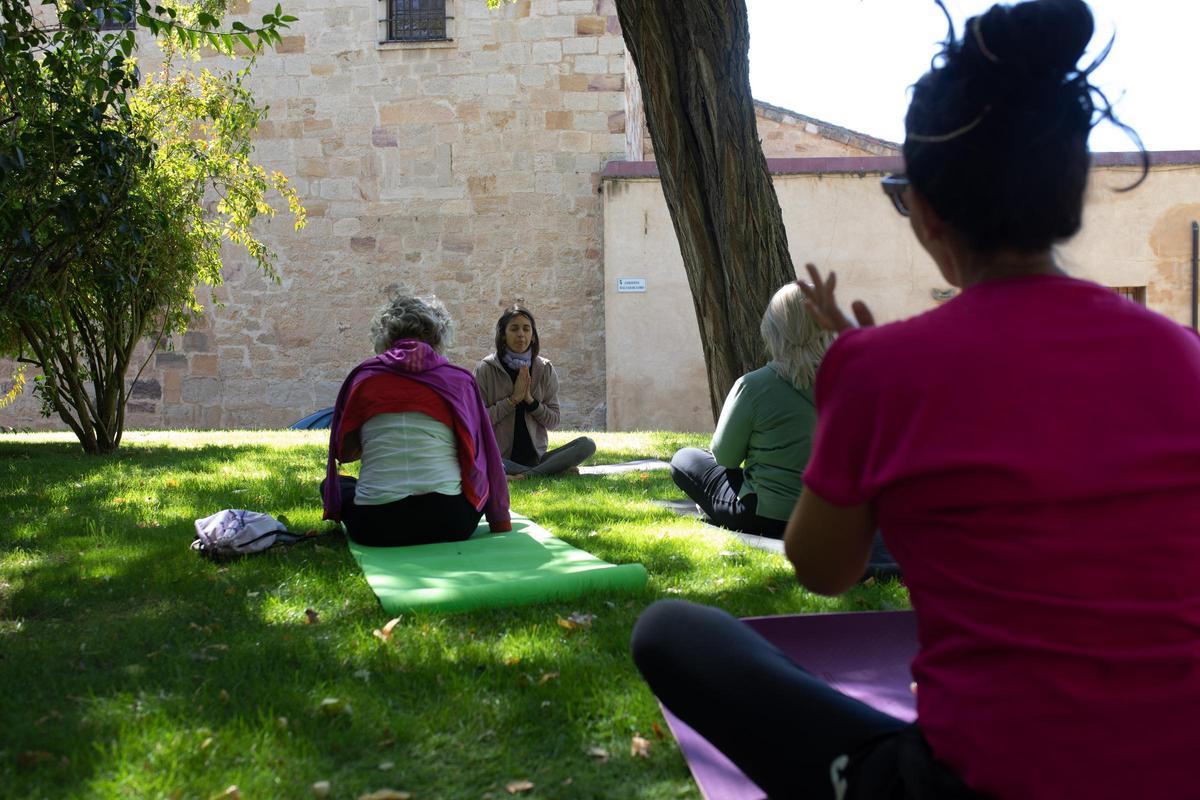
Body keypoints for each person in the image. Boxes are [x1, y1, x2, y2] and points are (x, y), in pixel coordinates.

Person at [632, 2, 1200, 798]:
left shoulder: (882, 370)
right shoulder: (1182, 355)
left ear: (927, 212)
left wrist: (856, 389)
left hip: (975, 781)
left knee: (670, 630)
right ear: (1072, 198)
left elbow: (824, 567)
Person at [321, 293, 510, 546]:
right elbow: (485, 452)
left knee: (334, 485)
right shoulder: (460, 381)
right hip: (452, 522)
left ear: (384, 334)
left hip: (374, 527)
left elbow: (346, 452)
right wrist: (499, 520)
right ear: (439, 334)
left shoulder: (362, 380)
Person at [669, 282, 830, 538]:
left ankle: (714, 507)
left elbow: (725, 458)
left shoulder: (754, 386)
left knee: (685, 458)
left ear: (775, 330)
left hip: (767, 515)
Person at [474, 304, 596, 477]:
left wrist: (531, 402)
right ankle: (551, 472)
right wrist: (512, 401)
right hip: (499, 458)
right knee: (479, 458)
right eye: (514, 329)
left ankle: (530, 473)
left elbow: (554, 421)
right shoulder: (485, 369)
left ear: (533, 336)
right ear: (502, 335)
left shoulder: (544, 368)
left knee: (587, 444)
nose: (521, 334)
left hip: (537, 458)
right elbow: (477, 422)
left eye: (526, 329)